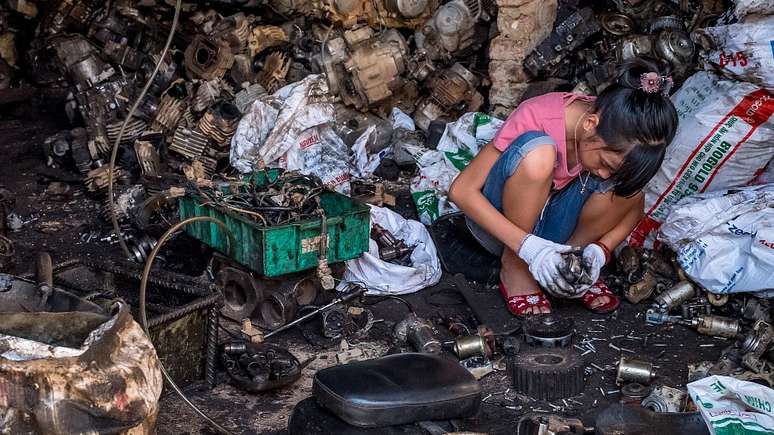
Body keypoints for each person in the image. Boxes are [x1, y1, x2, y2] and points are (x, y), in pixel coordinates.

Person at [448, 57, 678, 316]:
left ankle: (570, 263)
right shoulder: (538, 115)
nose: (603, 174)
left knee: (625, 185)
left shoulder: (616, 130)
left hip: (552, 233)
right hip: (501, 229)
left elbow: (634, 205)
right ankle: (515, 268)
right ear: (591, 124)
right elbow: (460, 191)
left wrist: (600, 251)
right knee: (539, 154)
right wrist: (529, 250)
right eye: (604, 163)